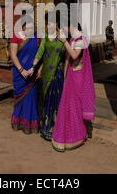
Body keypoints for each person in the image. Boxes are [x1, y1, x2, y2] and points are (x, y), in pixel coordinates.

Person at [52, 23, 96, 152]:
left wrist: (64, 41)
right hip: (71, 77)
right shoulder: (73, 39)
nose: (66, 29)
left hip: (78, 78)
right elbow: (67, 60)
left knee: (75, 107)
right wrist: (65, 76)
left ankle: (76, 136)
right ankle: (65, 137)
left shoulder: (81, 40)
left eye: (67, 27)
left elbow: (75, 55)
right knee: (68, 106)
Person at [31, 15, 65, 141]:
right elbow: (40, 52)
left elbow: (67, 54)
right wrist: (34, 66)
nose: (48, 26)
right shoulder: (46, 36)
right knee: (47, 101)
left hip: (57, 73)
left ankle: (57, 129)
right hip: (46, 73)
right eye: (46, 24)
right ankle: (46, 129)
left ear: (56, 23)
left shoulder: (62, 36)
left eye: (50, 23)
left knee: (57, 100)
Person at [9, 22, 40, 134]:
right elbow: (13, 55)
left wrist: (38, 69)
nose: (30, 29)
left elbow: (40, 54)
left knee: (31, 98)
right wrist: (21, 70)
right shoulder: (16, 36)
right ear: (22, 27)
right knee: (20, 99)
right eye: (28, 27)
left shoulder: (36, 37)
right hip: (19, 73)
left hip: (32, 72)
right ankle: (18, 122)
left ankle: (30, 124)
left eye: (32, 27)